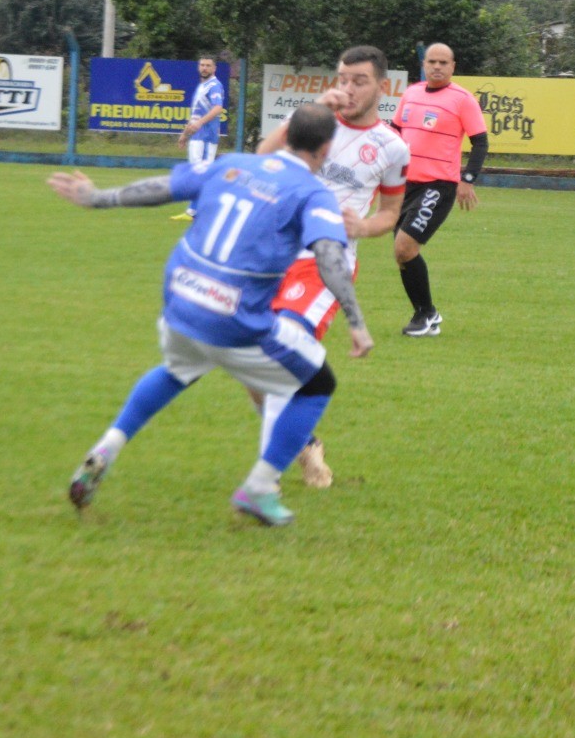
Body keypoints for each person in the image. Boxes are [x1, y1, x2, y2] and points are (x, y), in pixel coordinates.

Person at [49, 104, 374, 527]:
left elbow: (162, 187)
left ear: (286, 132)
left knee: (177, 369)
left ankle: (106, 448)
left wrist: (97, 198)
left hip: (181, 301)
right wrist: (356, 321)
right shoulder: (314, 194)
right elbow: (330, 255)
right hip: (233, 318)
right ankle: (259, 488)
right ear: (327, 147)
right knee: (317, 385)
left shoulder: (233, 164)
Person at [249, 45, 409, 488]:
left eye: (359, 80)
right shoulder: (314, 120)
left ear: (382, 86)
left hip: (325, 262)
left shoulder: (391, 147)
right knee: (252, 367)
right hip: (273, 252)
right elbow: (262, 158)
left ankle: (265, 481)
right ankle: (303, 443)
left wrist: (362, 227)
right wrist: (315, 107)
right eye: (343, 78)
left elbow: (391, 214)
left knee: (277, 354)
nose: (349, 88)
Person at [389, 42, 488, 336]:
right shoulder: (411, 93)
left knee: (404, 247)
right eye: (432, 61)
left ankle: (427, 314)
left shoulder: (462, 99)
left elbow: (480, 141)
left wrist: (467, 179)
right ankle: (425, 314)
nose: (437, 67)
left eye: (443, 62)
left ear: (453, 66)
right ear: (424, 64)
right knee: (402, 254)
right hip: (405, 184)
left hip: (438, 185)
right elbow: (395, 132)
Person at [171, 55, 226, 220]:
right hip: (197, 136)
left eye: (208, 65)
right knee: (197, 172)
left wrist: (200, 123)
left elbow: (217, 108)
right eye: (202, 65)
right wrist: (185, 134)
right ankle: (196, 211)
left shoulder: (214, 86)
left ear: (214, 68)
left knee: (201, 173)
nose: (204, 68)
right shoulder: (202, 87)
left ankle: (197, 211)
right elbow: (195, 114)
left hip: (206, 136)